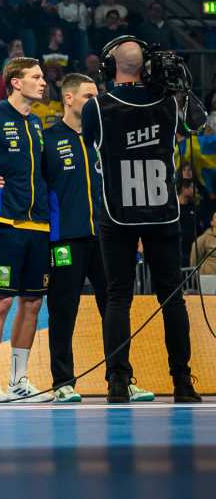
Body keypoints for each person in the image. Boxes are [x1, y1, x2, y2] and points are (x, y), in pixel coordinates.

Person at [83, 39, 202, 403]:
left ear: (109, 68)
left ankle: (118, 381)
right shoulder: (167, 103)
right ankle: (182, 381)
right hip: (162, 212)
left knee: (118, 296)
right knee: (172, 298)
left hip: (118, 212)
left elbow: (91, 142)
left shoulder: (97, 107)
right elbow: (196, 123)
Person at [0, 58, 53, 402]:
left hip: (38, 223)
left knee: (32, 303)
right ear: (16, 82)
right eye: (36, 77)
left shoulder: (36, 123)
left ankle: (19, 380)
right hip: (3, 222)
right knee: (2, 300)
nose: (43, 82)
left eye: (43, 77)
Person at [42, 74, 114, 404]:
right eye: (88, 96)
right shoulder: (47, 140)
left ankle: (120, 378)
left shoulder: (103, 138)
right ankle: (63, 382)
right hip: (65, 240)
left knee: (114, 308)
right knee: (62, 311)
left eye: (97, 96)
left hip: (106, 238)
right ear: (68, 99)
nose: (95, 102)